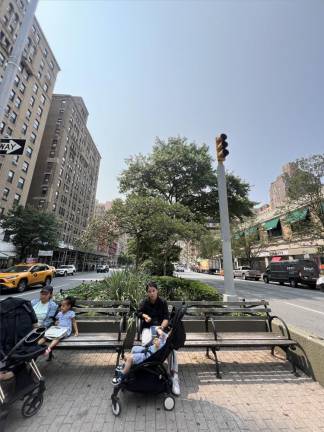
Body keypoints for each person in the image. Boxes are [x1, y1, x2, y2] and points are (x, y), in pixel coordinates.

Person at [137, 282, 180, 396]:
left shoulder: (162, 302)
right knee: (146, 344)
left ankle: (174, 376)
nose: (151, 293)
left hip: (160, 328)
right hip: (147, 328)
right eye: (149, 291)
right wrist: (145, 316)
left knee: (171, 348)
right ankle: (148, 372)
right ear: (147, 292)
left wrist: (161, 327)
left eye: (153, 291)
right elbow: (138, 312)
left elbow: (166, 317)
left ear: (157, 291)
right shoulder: (145, 302)